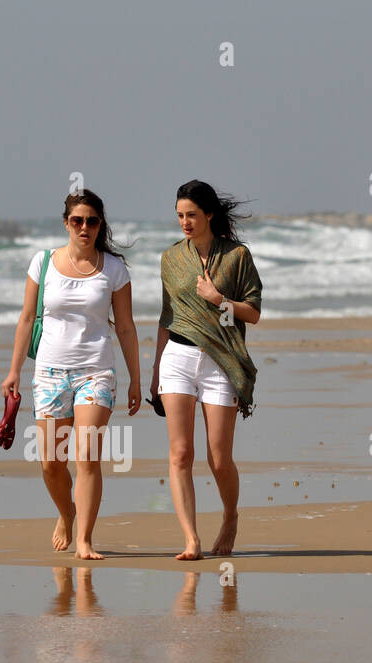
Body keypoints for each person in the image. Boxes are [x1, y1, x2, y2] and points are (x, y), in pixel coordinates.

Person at [1, 190, 141, 560]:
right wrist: (14, 370)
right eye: (77, 220)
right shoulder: (43, 262)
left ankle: (85, 540)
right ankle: (67, 514)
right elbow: (27, 318)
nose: (84, 227)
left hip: (96, 372)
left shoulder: (113, 269)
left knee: (87, 457)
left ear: (100, 225)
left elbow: (125, 328)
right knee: (50, 463)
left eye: (92, 221)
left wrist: (136, 379)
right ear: (66, 223)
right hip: (48, 372)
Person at [151, 180, 261, 560]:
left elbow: (254, 313)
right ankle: (191, 540)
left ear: (209, 214)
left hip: (221, 362)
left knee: (218, 457)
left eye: (192, 215)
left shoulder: (237, 256)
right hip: (177, 359)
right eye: (180, 215)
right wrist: (154, 374)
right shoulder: (170, 258)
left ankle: (230, 516)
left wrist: (220, 300)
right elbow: (167, 317)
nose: (185, 221)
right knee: (180, 454)